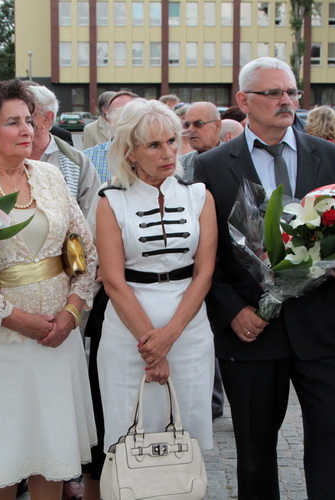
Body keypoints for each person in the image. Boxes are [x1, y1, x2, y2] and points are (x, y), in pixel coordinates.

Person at [194, 56, 335, 499]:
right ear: (243, 100)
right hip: (251, 330)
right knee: (254, 454)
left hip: (321, 329)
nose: (286, 100)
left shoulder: (332, 157)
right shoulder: (212, 166)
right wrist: (232, 311)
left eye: (291, 92)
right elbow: (205, 256)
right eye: (273, 93)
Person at [0, 78, 97, 500]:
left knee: (52, 452)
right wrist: (18, 320)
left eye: (29, 120)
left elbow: (83, 251)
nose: (27, 130)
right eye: (13, 122)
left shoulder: (50, 176)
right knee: (3, 456)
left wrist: (71, 313)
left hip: (57, 339)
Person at [96, 98, 217, 459]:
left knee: (187, 439)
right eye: (153, 145)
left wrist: (170, 336)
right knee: (130, 440)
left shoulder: (199, 196)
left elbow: (205, 272)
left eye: (171, 141)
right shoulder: (110, 200)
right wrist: (152, 347)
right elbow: (113, 281)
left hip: (189, 331)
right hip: (127, 334)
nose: (168, 153)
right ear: (130, 152)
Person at [27, 84, 101, 218]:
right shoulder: (4, 156)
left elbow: (91, 216)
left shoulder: (76, 161)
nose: (19, 123)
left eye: (27, 117)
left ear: (47, 119)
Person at [83, 91, 139, 183]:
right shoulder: (88, 159)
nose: (123, 120)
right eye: (118, 113)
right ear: (108, 117)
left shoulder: (157, 157)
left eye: (130, 114)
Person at [178, 101, 222, 177]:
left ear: (217, 126)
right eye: (187, 125)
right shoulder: (180, 165)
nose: (190, 129)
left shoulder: (237, 161)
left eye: (198, 124)